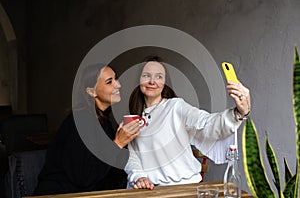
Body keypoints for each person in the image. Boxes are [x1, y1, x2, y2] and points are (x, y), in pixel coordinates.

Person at [125, 56, 251, 190]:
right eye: (146, 75)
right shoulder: (134, 117)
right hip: (152, 191)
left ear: (165, 82)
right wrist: (138, 177)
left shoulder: (175, 106)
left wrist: (238, 113)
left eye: (159, 76)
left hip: (184, 188)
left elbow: (206, 123)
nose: (152, 81)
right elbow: (133, 157)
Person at [34, 64, 141, 195]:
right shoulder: (81, 121)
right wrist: (118, 143)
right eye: (109, 82)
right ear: (92, 92)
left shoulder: (104, 121)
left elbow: (110, 170)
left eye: (116, 79)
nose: (118, 85)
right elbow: (84, 177)